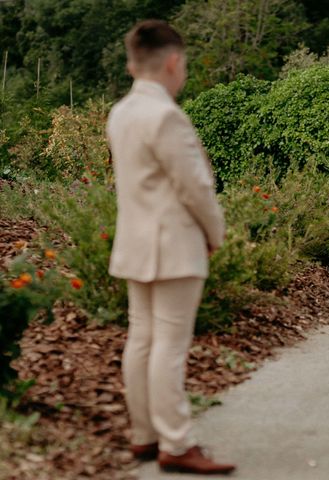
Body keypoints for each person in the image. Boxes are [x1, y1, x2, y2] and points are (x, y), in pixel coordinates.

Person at [107, 19, 235, 474]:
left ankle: (144, 435)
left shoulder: (120, 112)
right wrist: (215, 234)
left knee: (141, 339)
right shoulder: (166, 115)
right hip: (175, 245)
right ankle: (176, 444)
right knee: (169, 345)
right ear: (174, 62)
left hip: (134, 243)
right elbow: (196, 187)